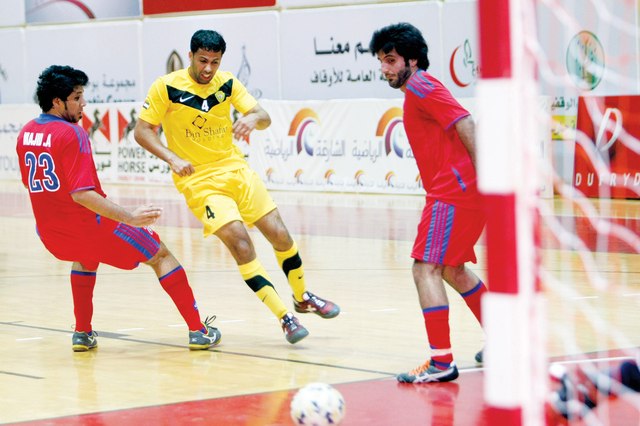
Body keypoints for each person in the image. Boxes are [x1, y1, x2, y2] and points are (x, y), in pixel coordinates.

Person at [134, 29, 339, 344]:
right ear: (190, 56)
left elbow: (264, 116)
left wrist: (254, 118)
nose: (208, 68)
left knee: (281, 235)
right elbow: (142, 131)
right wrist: (171, 157)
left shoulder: (228, 82)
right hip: (198, 181)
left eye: (214, 62)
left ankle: (303, 297)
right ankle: (285, 316)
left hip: (236, 169)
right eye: (203, 60)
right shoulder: (166, 86)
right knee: (242, 246)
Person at [16, 65, 221, 352]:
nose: (84, 104)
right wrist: (130, 217)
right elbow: (82, 194)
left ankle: (82, 333)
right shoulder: (72, 133)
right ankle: (198, 330)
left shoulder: (26, 133)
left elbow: (32, 186)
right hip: (91, 229)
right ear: (57, 102)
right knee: (161, 255)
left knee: (85, 258)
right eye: (77, 98)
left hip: (52, 236)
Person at [369, 23, 487, 383]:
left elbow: (465, 123)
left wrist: (485, 179)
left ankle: (441, 362)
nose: (384, 68)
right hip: (460, 190)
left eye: (391, 60)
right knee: (452, 270)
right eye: (381, 61)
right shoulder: (416, 90)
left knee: (425, 269)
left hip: (453, 192)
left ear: (413, 60)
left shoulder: (421, 85)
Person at [548, 355, 640, 421]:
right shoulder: (575, 407)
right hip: (625, 378)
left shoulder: (563, 391)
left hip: (623, 377)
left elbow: (556, 369)